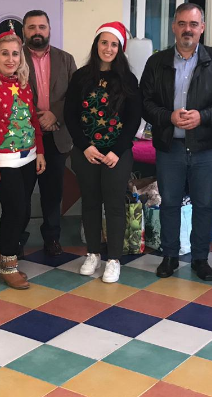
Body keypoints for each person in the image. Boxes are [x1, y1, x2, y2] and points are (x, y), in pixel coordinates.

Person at [140, 3, 212, 281]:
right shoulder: (157, 62)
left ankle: (200, 259)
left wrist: (203, 116)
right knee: (169, 203)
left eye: (193, 24)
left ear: (202, 28)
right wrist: (168, 116)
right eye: (182, 24)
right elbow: (144, 102)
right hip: (170, 146)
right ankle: (169, 256)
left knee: (204, 204)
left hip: (205, 146)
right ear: (174, 27)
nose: (187, 30)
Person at [65, 22, 142, 284]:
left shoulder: (128, 80)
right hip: (86, 153)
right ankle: (93, 254)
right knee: (89, 203)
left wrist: (117, 151)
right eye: (103, 42)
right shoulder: (81, 77)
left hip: (116, 156)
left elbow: (133, 120)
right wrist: (85, 146)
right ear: (96, 44)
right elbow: (70, 116)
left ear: (120, 49)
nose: (108, 48)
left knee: (114, 206)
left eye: (113, 44)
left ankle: (114, 260)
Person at [0, 30, 46, 289]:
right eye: (5, 53)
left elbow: (32, 120)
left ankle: (3, 257)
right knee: (16, 209)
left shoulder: (24, 84)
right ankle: (8, 264)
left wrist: (40, 153)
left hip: (27, 159)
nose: (11, 59)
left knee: (23, 210)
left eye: (15, 53)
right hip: (1, 162)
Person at [23, 10, 77, 257]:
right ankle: (16, 241)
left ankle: (52, 239)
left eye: (41, 27)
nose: (37, 31)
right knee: (20, 192)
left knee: (53, 193)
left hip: (57, 134)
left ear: (49, 29)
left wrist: (55, 114)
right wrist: (37, 119)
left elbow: (75, 96)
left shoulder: (66, 60)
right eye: (32, 27)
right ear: (24, 31)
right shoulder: (14, 57)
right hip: (23, 136)